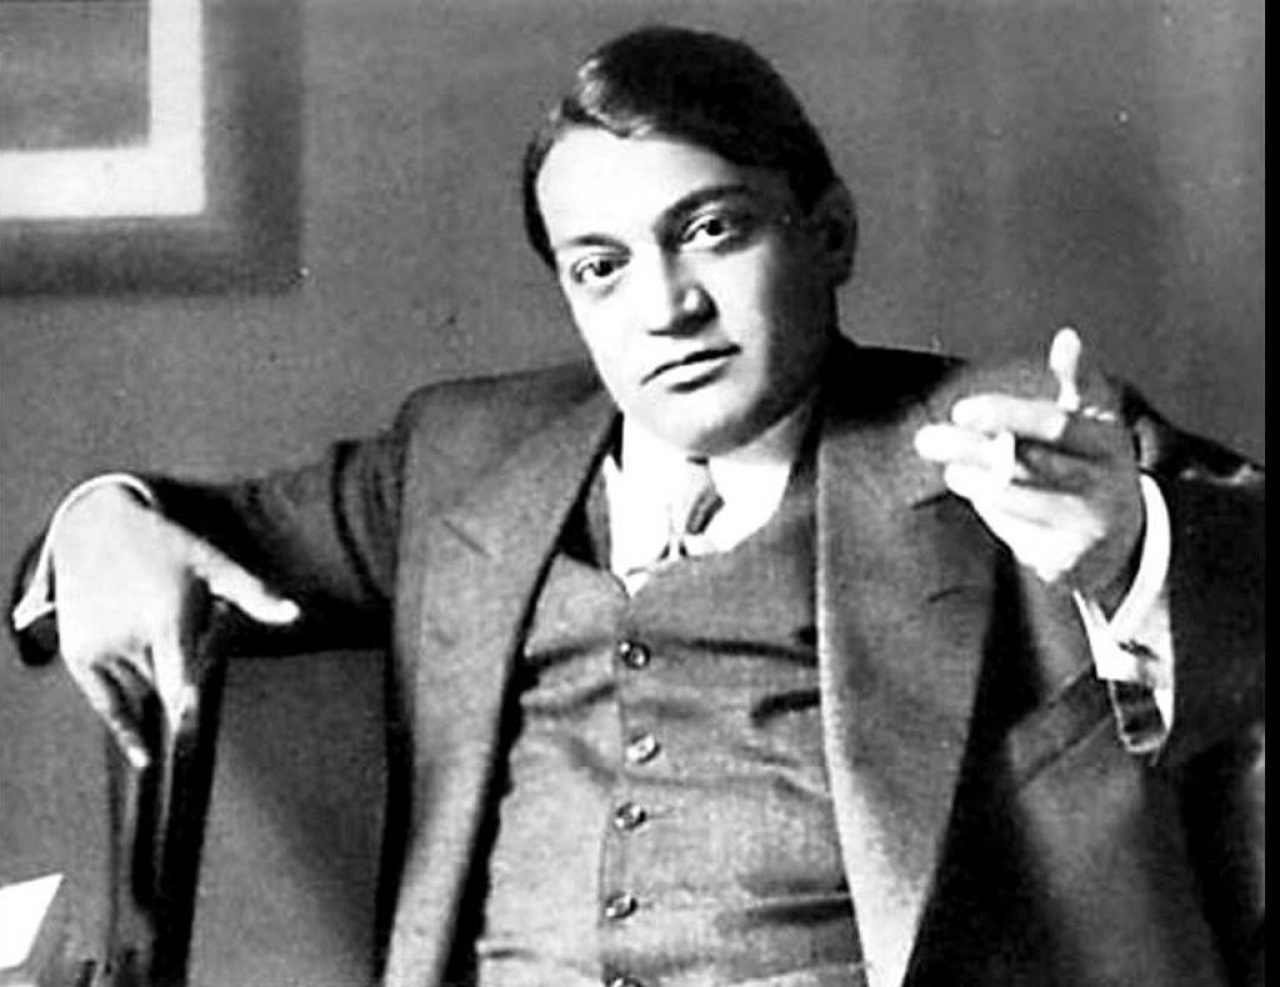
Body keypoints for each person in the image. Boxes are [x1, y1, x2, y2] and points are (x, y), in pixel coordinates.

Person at [10, 24, 1263, 987]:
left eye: (711, 231)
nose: (663, 308)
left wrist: (1128, 556)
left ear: (829, 234)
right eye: (600, 267)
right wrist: (96, 518)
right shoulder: (462, 456)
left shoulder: (1007, 436)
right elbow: (199, 528)